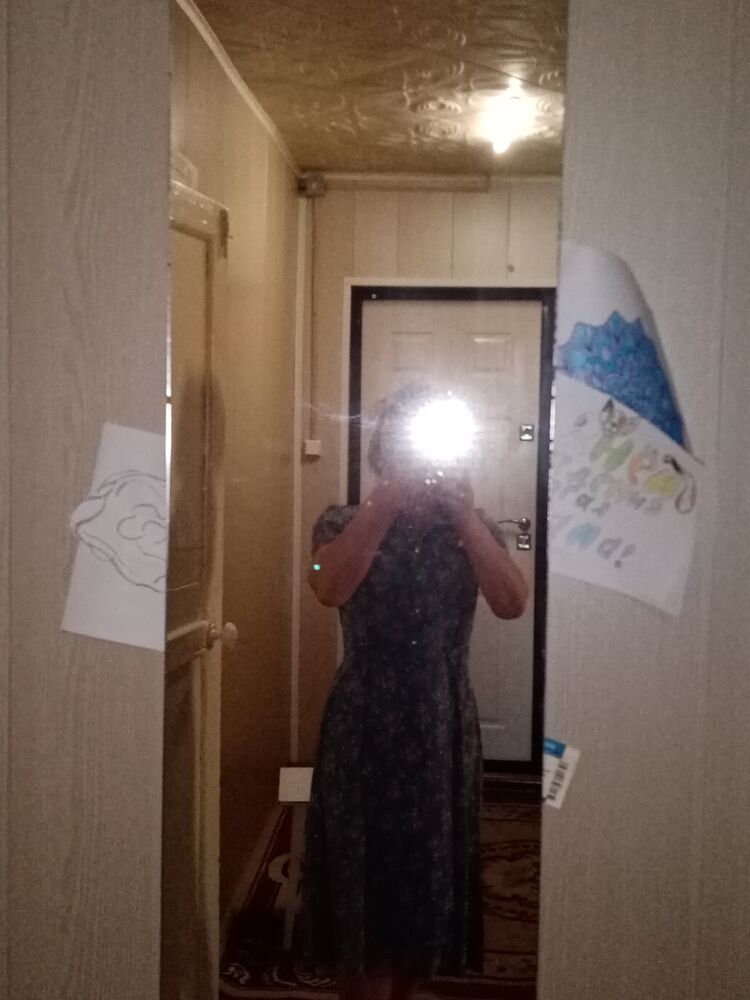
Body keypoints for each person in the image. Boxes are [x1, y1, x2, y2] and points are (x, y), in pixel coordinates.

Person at [298, 383, 529, 1000]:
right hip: (365, 726)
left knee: (426, 882)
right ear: (385, 450)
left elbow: (512, 602)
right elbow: (325, 584)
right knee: (365, 880)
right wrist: (386, 502)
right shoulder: (340, 521)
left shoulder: (473, 529)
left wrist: (465, 516)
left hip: (441, 725)